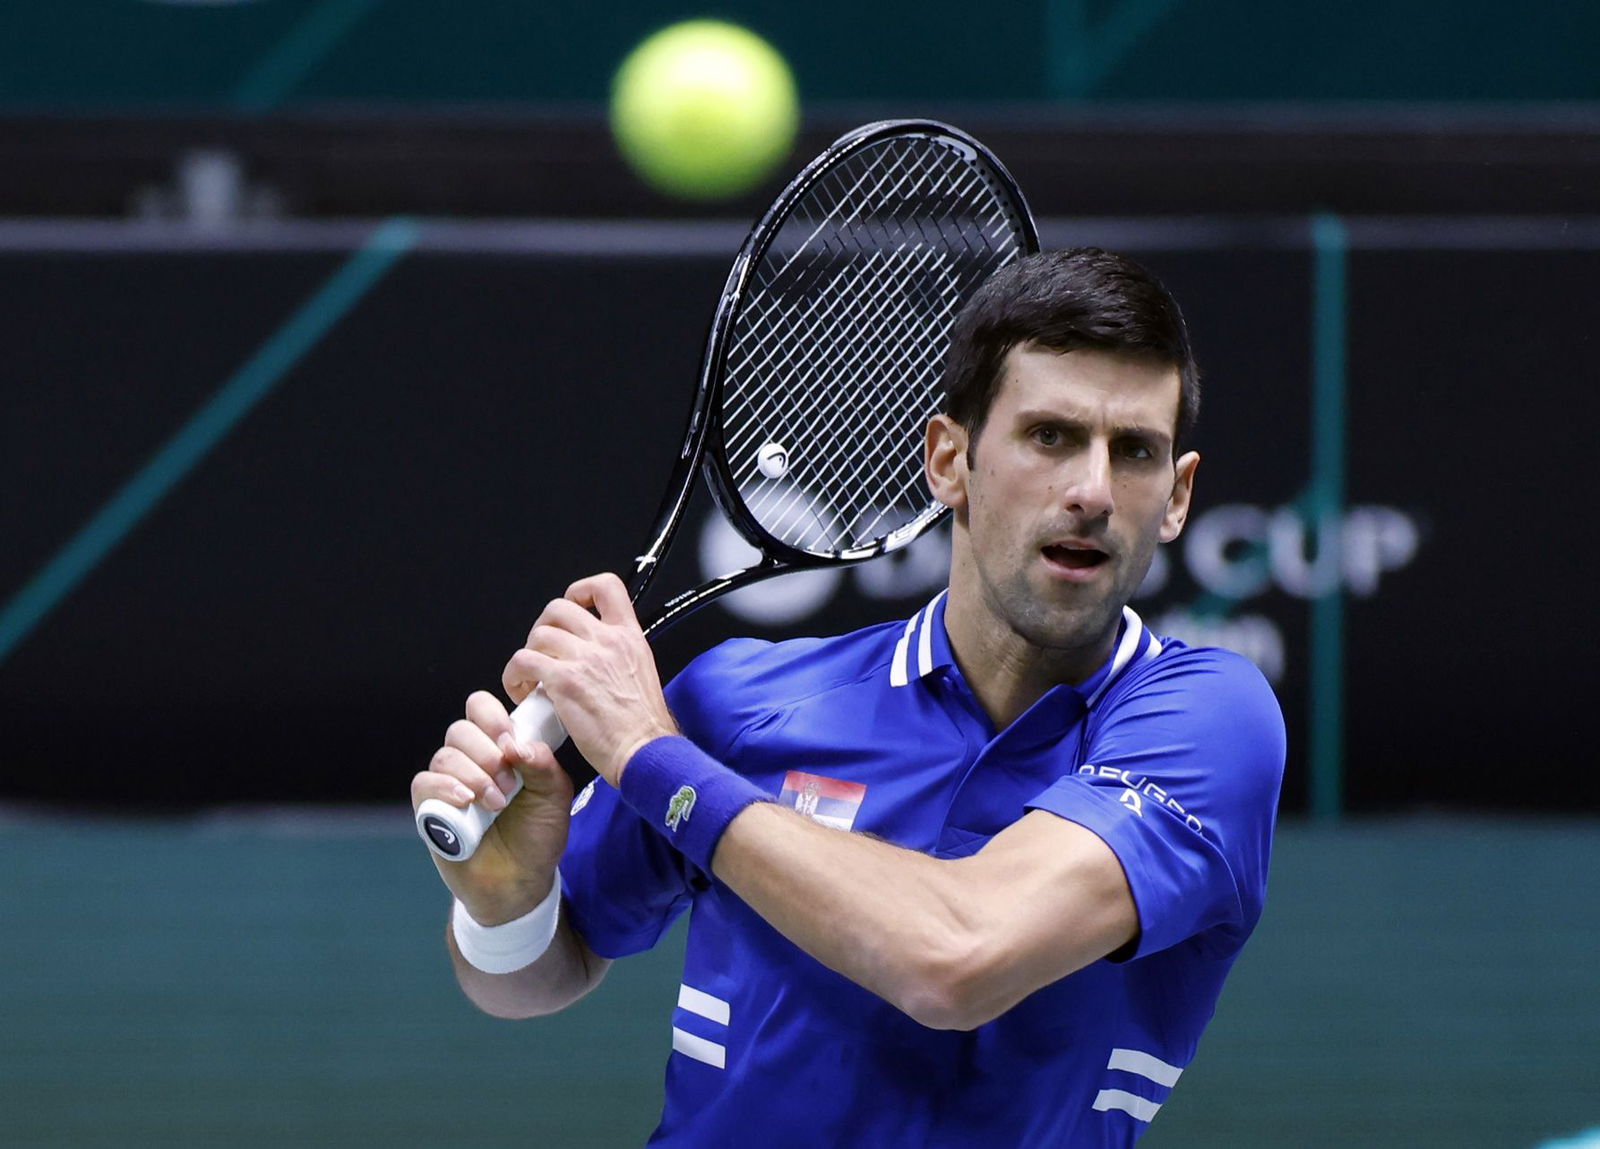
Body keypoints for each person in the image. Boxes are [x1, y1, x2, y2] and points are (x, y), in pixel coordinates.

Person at [410, 247, 1285, 1147]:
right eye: (1050, 436)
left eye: (1133, 450)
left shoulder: (1208, 724)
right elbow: (536, 974)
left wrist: (648, 756)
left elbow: (957, 958)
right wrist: (502, 905)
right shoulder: (741, 703)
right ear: (950, 460)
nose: (1092, 491)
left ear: (1177, 497)